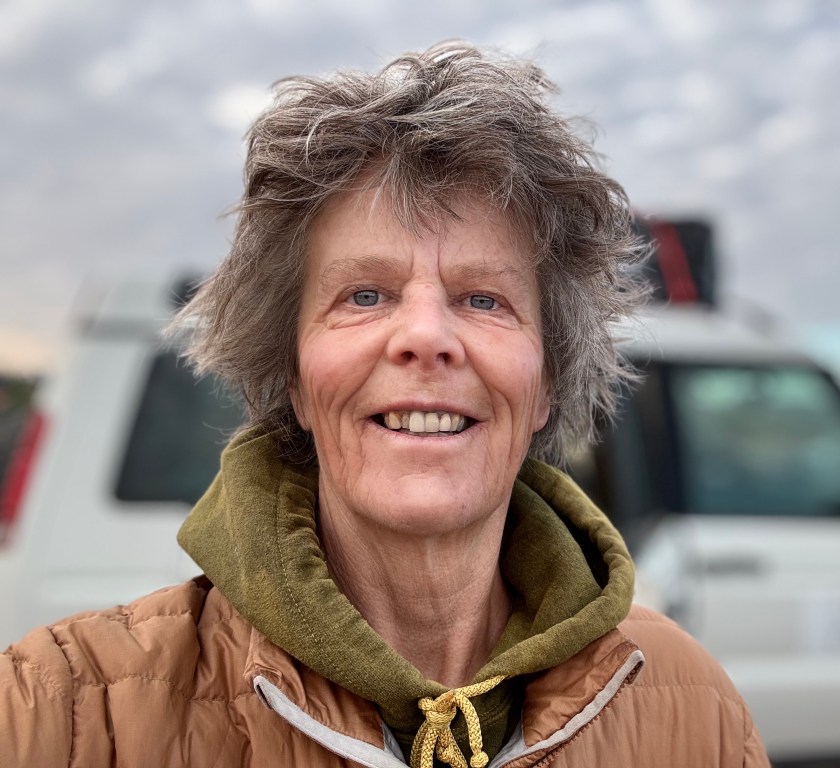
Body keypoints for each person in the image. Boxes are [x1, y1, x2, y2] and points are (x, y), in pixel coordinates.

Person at [1, 42, 769, 767]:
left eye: (484, 298)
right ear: (294, 379)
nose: (426, 337)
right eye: (364, 295)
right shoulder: (54, 711)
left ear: (546, 383)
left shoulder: (696, 713)